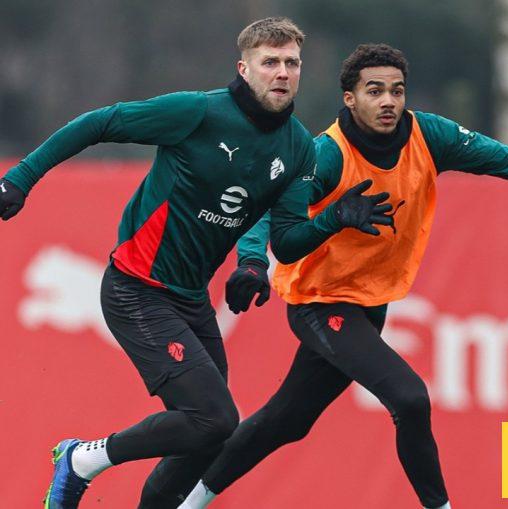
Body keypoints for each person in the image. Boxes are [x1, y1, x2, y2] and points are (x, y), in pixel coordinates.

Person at [176, 44, 508, 509]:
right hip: (320, 301)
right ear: (350, 99)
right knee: (410, 397)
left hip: (370, 304)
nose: (388, 101)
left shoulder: (429, 136)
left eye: (396, 91)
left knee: (286, 422)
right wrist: (251, 262)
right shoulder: (326, 155)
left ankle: (188, 502)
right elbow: (267, 206)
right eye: (374, 91)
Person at [0, 19, 393, 509]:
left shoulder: (298, 148)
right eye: (270, 62)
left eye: (292, 63)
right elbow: (99, 122)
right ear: (244, 68)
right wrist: (21, 178)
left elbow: (288, 241)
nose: (283, 73)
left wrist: (327, 223)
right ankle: (80, 459)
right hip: (135, 288)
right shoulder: (198, 112)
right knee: (215, 419)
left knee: (208, 436)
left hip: (190, 301)